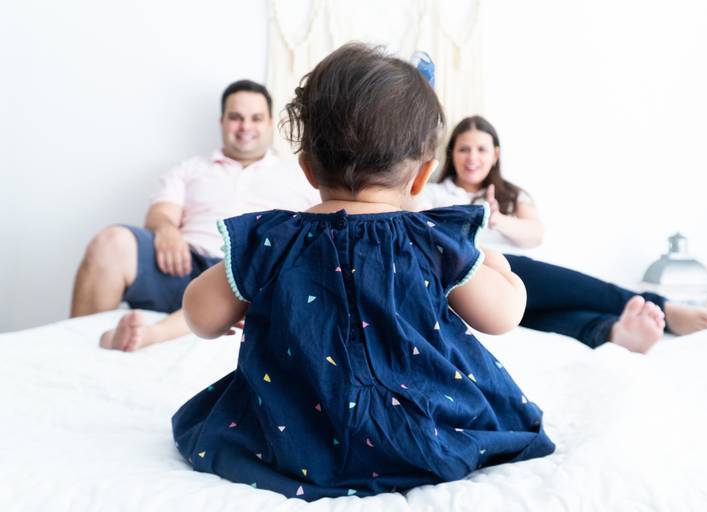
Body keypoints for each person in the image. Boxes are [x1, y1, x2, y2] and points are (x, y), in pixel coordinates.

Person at [171, 43, 555, 501]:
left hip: (294, 439)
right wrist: (495, 263)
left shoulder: (273, 238)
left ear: (307, 169)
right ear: (422, 176)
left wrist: (233, 309)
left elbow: (199, 314)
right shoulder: (431, 240)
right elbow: (504, 315)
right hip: (421, 435)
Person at [418, 115, 707, 352]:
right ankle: (655, 310)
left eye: (481, 149)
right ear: (452, 153)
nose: (472, 158)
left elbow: (535, 235)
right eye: (464, 149)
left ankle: (617, 331)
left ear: (495, 154)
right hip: (476, 280)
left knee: (547, 312)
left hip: (520, 276)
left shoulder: (513, 195)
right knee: (548, 300)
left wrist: (496, 219)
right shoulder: (432, 194)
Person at [70, 80, 318, 351]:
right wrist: (166, 230)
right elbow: (161, 213)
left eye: (256, 118)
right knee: (111, 242)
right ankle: (73, 343)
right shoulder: (190, 169)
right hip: (182, 266)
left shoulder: (298, 174)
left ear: (270, 123)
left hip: (250, 277)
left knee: (249, 273)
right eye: (236, 117)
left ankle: (151, 334)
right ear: (222, 121)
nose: (245, 126)